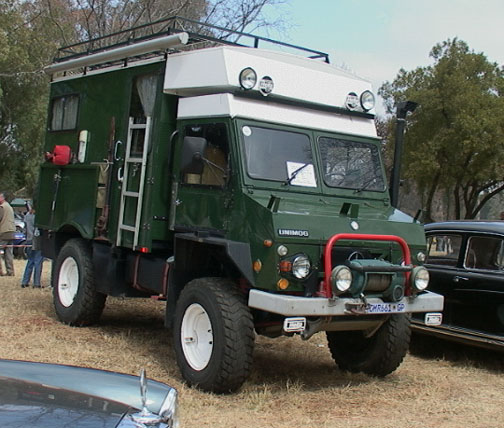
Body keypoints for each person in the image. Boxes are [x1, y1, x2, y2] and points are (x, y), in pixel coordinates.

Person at [21, 205, 43, 288]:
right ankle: (36, 283)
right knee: (38, 261)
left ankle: (25, 281)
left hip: (28, 240)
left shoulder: (27, 216)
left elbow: (25, 229)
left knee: (30, 261)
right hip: (37, 240)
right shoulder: (38, 217)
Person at [0, 192, 16, 276]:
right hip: (11, 232)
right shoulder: (9, 206)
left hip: (4, 232)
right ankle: (10, 271)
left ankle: (0, 271)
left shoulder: (2, 207)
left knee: (0, 252)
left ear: (2, 198)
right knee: (8, 253)